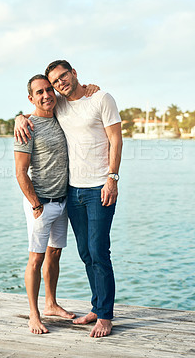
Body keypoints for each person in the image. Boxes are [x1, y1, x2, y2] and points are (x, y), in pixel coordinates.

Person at [15, 60, 122, 338]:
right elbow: (37, 113)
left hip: (96, 188)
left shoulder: (99, 98)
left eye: (61, 78)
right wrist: (18, 117)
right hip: (66, 194)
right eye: (52, 83)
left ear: (74, 74)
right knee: (84, 254)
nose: (56, 86)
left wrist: (113, 178)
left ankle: (105, 315)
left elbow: (116, 140)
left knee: (97, 252)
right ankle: (91, 308)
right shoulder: (47, 112)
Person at [14, 74, 75, 335]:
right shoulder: (27, 126)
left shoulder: (61, 115)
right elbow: (20, 173)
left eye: (49, 89)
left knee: (55, 253)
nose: (46, 95)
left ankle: (51, 304)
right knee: (35, 259)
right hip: (40, 203)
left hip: (62, 201)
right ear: (31, 98)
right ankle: (34, 314)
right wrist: (36, 205)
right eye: (39, 92)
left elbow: (79, 95)